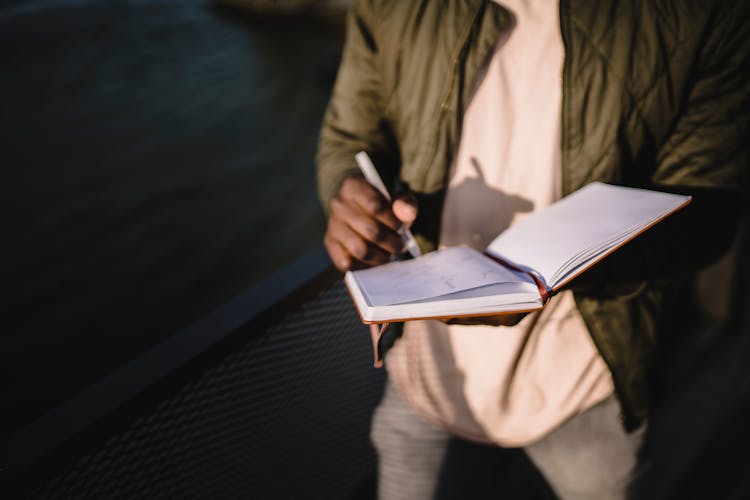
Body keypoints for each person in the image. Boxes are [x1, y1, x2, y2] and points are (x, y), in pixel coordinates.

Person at [316, 0, 748, 498]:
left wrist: (568, 269)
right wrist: (349, 195)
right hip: (428, 375)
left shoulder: (709, 15)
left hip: (587, 384)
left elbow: (708, 213)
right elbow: (349, 136)